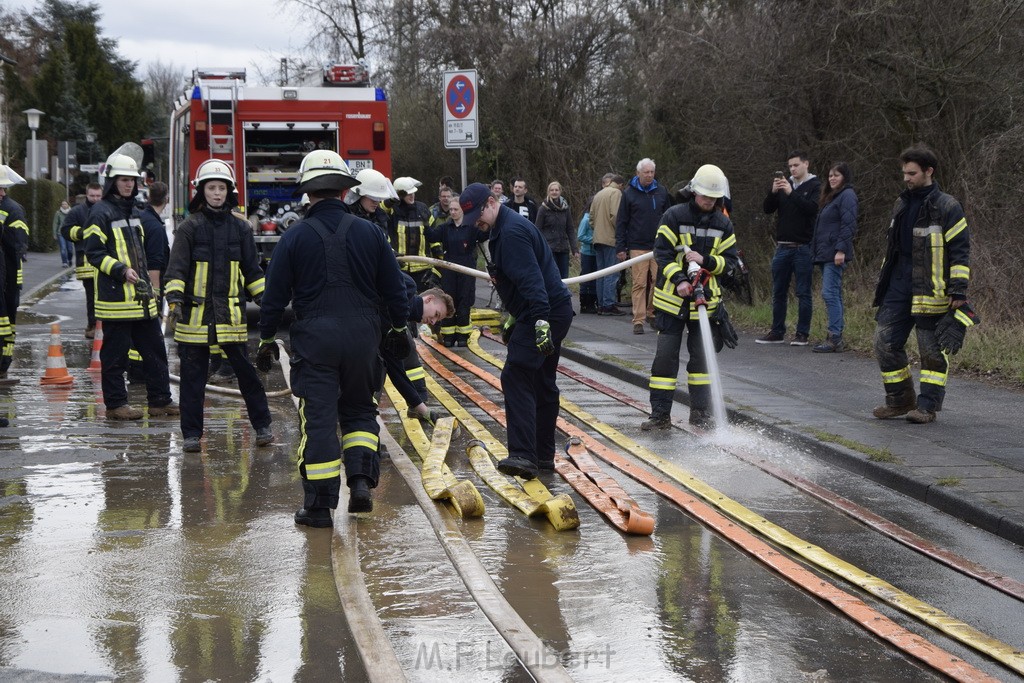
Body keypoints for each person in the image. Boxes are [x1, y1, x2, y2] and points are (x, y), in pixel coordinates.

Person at [258, 150, 409, 525]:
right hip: (363, 339)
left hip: (316, 342)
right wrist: (397, 330)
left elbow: (273, 298)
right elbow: (395, 290)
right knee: (360, 409)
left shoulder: (293, 238)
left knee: (320, 419)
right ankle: (359, 482)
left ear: (308, 194)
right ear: (345, 192)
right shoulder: (372, 232)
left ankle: (319, 507)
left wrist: (265, 340)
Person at [459, 182, 573, 479]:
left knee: (517, 374)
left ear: (491, 201)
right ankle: (544, 456)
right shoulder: (503, 229)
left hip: (544, 311)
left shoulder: (510, 234)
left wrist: (538, 322)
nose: (478, 225)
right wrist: (515, 315)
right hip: (551, 310)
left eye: (479, 217)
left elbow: (532, 281)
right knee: (542, 382)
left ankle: (524, 455)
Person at [163, 160, 272, 454]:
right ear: (202, 191)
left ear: (229, 191)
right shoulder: (188, 229)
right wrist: (174, 302)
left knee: (247, 376)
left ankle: (263, 427)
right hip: (195, 319)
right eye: (211, 188)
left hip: (230, 318)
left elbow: (253, 272)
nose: (216, 193)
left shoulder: (241, 229)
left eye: (221, 188)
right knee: (192, 380)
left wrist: (266, 301)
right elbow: (176, 271)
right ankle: (191, 435)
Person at [871, 145, 976, 425]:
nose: (906, 178)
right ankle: (900, 399)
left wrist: (958, 291)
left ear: (929, 171)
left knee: (931, 351)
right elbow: (892, 248)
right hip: (898, 285)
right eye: (904, 172)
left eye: (912, 173)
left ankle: (927, 407)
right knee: (883, 342)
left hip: (932, 290)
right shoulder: (901, 204)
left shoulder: (948, 206)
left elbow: (960, 252)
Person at [642, 164, 739, 431]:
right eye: (705, 195)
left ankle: (700, 414)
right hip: (671, 303)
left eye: (713, 197)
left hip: (706, 305)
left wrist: (706, 260)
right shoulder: (674, 216)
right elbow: (661, 253)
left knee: (701, 362)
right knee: (665, 359)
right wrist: (680, 280)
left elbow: (731, 263)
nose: (709, 201)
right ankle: (659, 416)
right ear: (694, 191)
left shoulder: (723, 223)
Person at [84, 151, 177, 421]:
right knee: (115, 357)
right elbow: (94, 253)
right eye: (123, 180)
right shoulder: (100, 213)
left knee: (155, 351)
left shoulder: (135, 212)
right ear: (112, 181)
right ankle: (115, 405)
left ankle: (160, 401)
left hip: (141, 298)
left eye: (132, 181)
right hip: (115, 301)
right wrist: (121, 270)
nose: (129, 185)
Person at [758, 151, 821, 346]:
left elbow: (811, 209)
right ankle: (777, 331)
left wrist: (791, 193)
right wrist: (773, 191)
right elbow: (767, 209)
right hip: (782, 247)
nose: (792, 169)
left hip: (803, 247)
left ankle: (802, 334)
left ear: (806, 164)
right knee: (778, 291)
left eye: (796, 165)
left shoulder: (815, 186)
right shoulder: (784, 186)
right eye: (790, 166)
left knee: (803, 292)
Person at [616, 158, 670, 335]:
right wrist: (621, 247)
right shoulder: (629, 194)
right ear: (638, 173)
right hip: (637, 244)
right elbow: (622, 221)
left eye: (651, 172)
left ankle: (652, 313)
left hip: (658, 245)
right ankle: (638, 320)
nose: (649, 175)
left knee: (659, 281)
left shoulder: (661, 192)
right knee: (639, 283)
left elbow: (670, 218)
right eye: (646, 172)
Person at [809, 163, 858, 353]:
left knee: (829, 294)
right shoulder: (832, 197)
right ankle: (834, 336)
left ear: (844, 177)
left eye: (836, 175)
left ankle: (835, 337)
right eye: (830, 175)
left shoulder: (847, 196)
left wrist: (841, 250)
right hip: (826, 253)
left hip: (835, 254)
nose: (832, 178)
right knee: (833, 293)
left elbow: (848, 224)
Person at [438, 194, 486, 346]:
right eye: (450, 209)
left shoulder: (471, 227)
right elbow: (431, 236)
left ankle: (463, 336)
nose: (452, 212)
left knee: (465, 300)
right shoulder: (445, 228)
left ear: (462, 211)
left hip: (467, 269)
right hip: (449, 269)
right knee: (449, 300)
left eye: (455, 209)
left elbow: (485, 234)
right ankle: (448, 335)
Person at [385, 176, 443, 293]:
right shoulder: (393, 211)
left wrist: (436, 273)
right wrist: (392, 199)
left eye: (413, 193)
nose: (412, 196)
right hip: (400, 269)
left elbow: (435, 242)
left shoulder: (423, 209)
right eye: (408, 194)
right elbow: (381, 209)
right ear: (400, 195)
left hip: (424, 272)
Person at [62, 183, 104, 339]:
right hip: (86, 262)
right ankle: (92, 325)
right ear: (86, 194)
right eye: (92, 195)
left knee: (105, 295)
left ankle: (104, 325)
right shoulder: (77, 211)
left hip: (105, 262)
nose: (95, 199)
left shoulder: (106, 209)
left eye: (98, 196)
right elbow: (65, 231)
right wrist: (83, 232)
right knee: (92, 297)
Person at [0, 165, 29, 381]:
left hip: (8, 278)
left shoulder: (14, 210)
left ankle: (4, 363)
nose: (1, 192)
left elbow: (18, 246)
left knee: (7, 323)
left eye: (3, 188)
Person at [591, 173, 626, 316]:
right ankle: (608, 304)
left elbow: (591, 218)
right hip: (611, 238)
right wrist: (621, 234)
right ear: (621, 185)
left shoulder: (598, 194)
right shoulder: (616, 193)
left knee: (601, 273)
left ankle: (601, 304)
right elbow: (616, 216)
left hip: (598, 238)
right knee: (612, 273)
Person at [534, 181, 579, 279]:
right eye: (552, 190)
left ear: (560, 191)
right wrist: (539, 248)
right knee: (552, 277)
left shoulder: (565, 209)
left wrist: (574, 249)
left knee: (564, 278)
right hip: (549, 248)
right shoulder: (543, 209)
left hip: (563, 248)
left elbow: (570, 229)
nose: (554, 192)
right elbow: (537, 230)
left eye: (556, 190)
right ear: (548, 192)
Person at [576, 198, 597, 314]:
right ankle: (584, 303)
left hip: (596, 253)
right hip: (587, 252)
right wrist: (594, 240)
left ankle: (592, 302)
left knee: (595, 277)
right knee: (586, 277)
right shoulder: (586, 220)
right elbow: (580, 236)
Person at [53, 200, 74, 268]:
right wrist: (54, 233)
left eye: (65, 204)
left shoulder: (72, 212)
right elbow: (55, 224)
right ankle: (64, 262)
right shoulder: (58, 213)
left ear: (68, 205)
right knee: (63, 248)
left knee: (70, 249)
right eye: (62, 204)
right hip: (60, 233)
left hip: (69, 233)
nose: (64, 205)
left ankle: (69, 260)